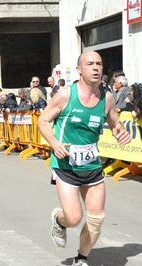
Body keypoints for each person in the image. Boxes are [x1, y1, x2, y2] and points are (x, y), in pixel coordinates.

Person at [37, 51, 132, 266]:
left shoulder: (107, 98)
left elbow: (115, 122)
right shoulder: (65, 95)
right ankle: (58, 220)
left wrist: (120, 132)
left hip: (92, 165)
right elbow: (43, 121)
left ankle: (81, 258)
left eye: (99, 63)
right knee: (73, 218)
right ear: (80, 70)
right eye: (90, 64)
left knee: (96, 219)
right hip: (65, 165)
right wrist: (55, 143)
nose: (96, 67)